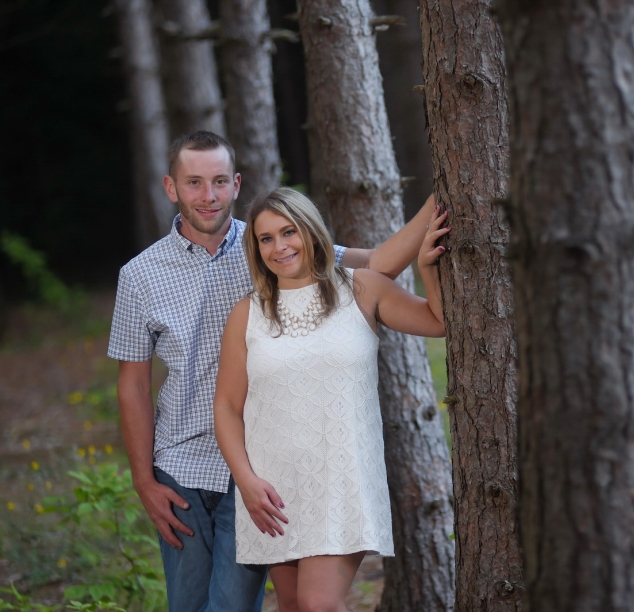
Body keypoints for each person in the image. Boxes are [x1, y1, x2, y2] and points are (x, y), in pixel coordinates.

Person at [107, 131, 434, 612]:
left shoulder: (271, 242)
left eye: (219, 181)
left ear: (236, 184)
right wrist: (144, 480)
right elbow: (133, 386)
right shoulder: (140, 275)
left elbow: (378, 263)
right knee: (191, 605)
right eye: (194, 182)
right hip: (183, 466)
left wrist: (441, 194)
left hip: (263, 465)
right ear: (171, 187)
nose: (208, 195)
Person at [212, 187, 448, 612]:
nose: (279, 246)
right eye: (266, 238)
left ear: (310, 230)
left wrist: (427, 268)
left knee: (318, 603)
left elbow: (437, 322)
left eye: (288, 232)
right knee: (292, 605)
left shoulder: (362, 288)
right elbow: (228, 407)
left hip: (342, 479)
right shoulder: (246, 314)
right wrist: (246, 481)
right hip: (273, 488)